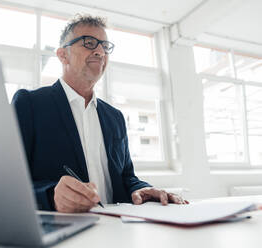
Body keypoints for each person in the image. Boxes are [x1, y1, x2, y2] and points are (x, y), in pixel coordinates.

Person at [12, 14, 188, 213]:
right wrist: (51, 195)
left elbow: (126, 177)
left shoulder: (115, 117)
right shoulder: (30, 103)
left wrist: (141, 188)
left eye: (105, 46)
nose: (99, 51)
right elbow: (9, 180)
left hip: (117, 228)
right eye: (89, 43)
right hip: (62, 230)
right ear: (63, 55)